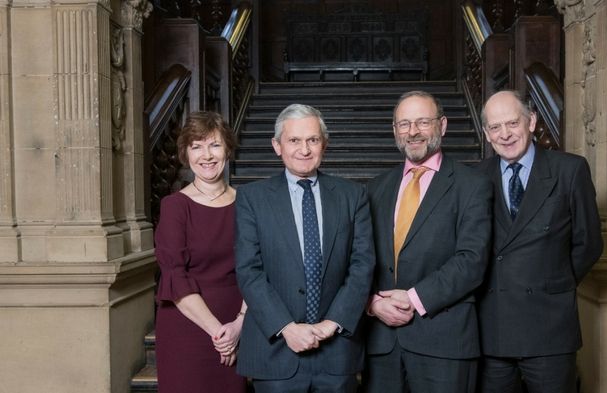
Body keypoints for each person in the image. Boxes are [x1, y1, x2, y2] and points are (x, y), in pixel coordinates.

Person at [234, 103, 375, 393]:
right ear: (277, 146)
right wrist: (286, 327)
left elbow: (362, 265)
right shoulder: (252, 198)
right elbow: (249, 271)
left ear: (325, 144)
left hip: (337, 351)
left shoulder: (354, 195)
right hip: (275, 352)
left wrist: (333, 323)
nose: (304, 149)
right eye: (294, 140)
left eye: (312, 140)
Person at [364, 90, 493, 393]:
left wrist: (413, 298)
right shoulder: (375, 188)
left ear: (443, 125)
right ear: (395, 130)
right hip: (382, 344)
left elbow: (471, 260)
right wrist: (371, 303)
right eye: (404, 124)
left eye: (423, 122)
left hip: (444, 343)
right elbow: (359, 258)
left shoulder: (472, 186)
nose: (413, 132)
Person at [477, 90, 603, 393]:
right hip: (493, 328)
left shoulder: (570, 170)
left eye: (512, 123)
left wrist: (553, 283)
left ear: (531, 121)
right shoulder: (476, 178)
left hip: (549, 326)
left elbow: (589, 243)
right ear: (486, 133)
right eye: (495, 127)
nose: (505, 135)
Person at [154, 111, 247, 393]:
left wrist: (238, 326)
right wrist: (219, 333)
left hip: (238, 320)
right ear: (186, 154)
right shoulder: (174, 206)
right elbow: (175, 277)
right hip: (188, 326)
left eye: (214, 145)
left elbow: (260, 269)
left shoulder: (249, 203)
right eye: (197, 146)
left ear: (228, 149)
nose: (206, 155)